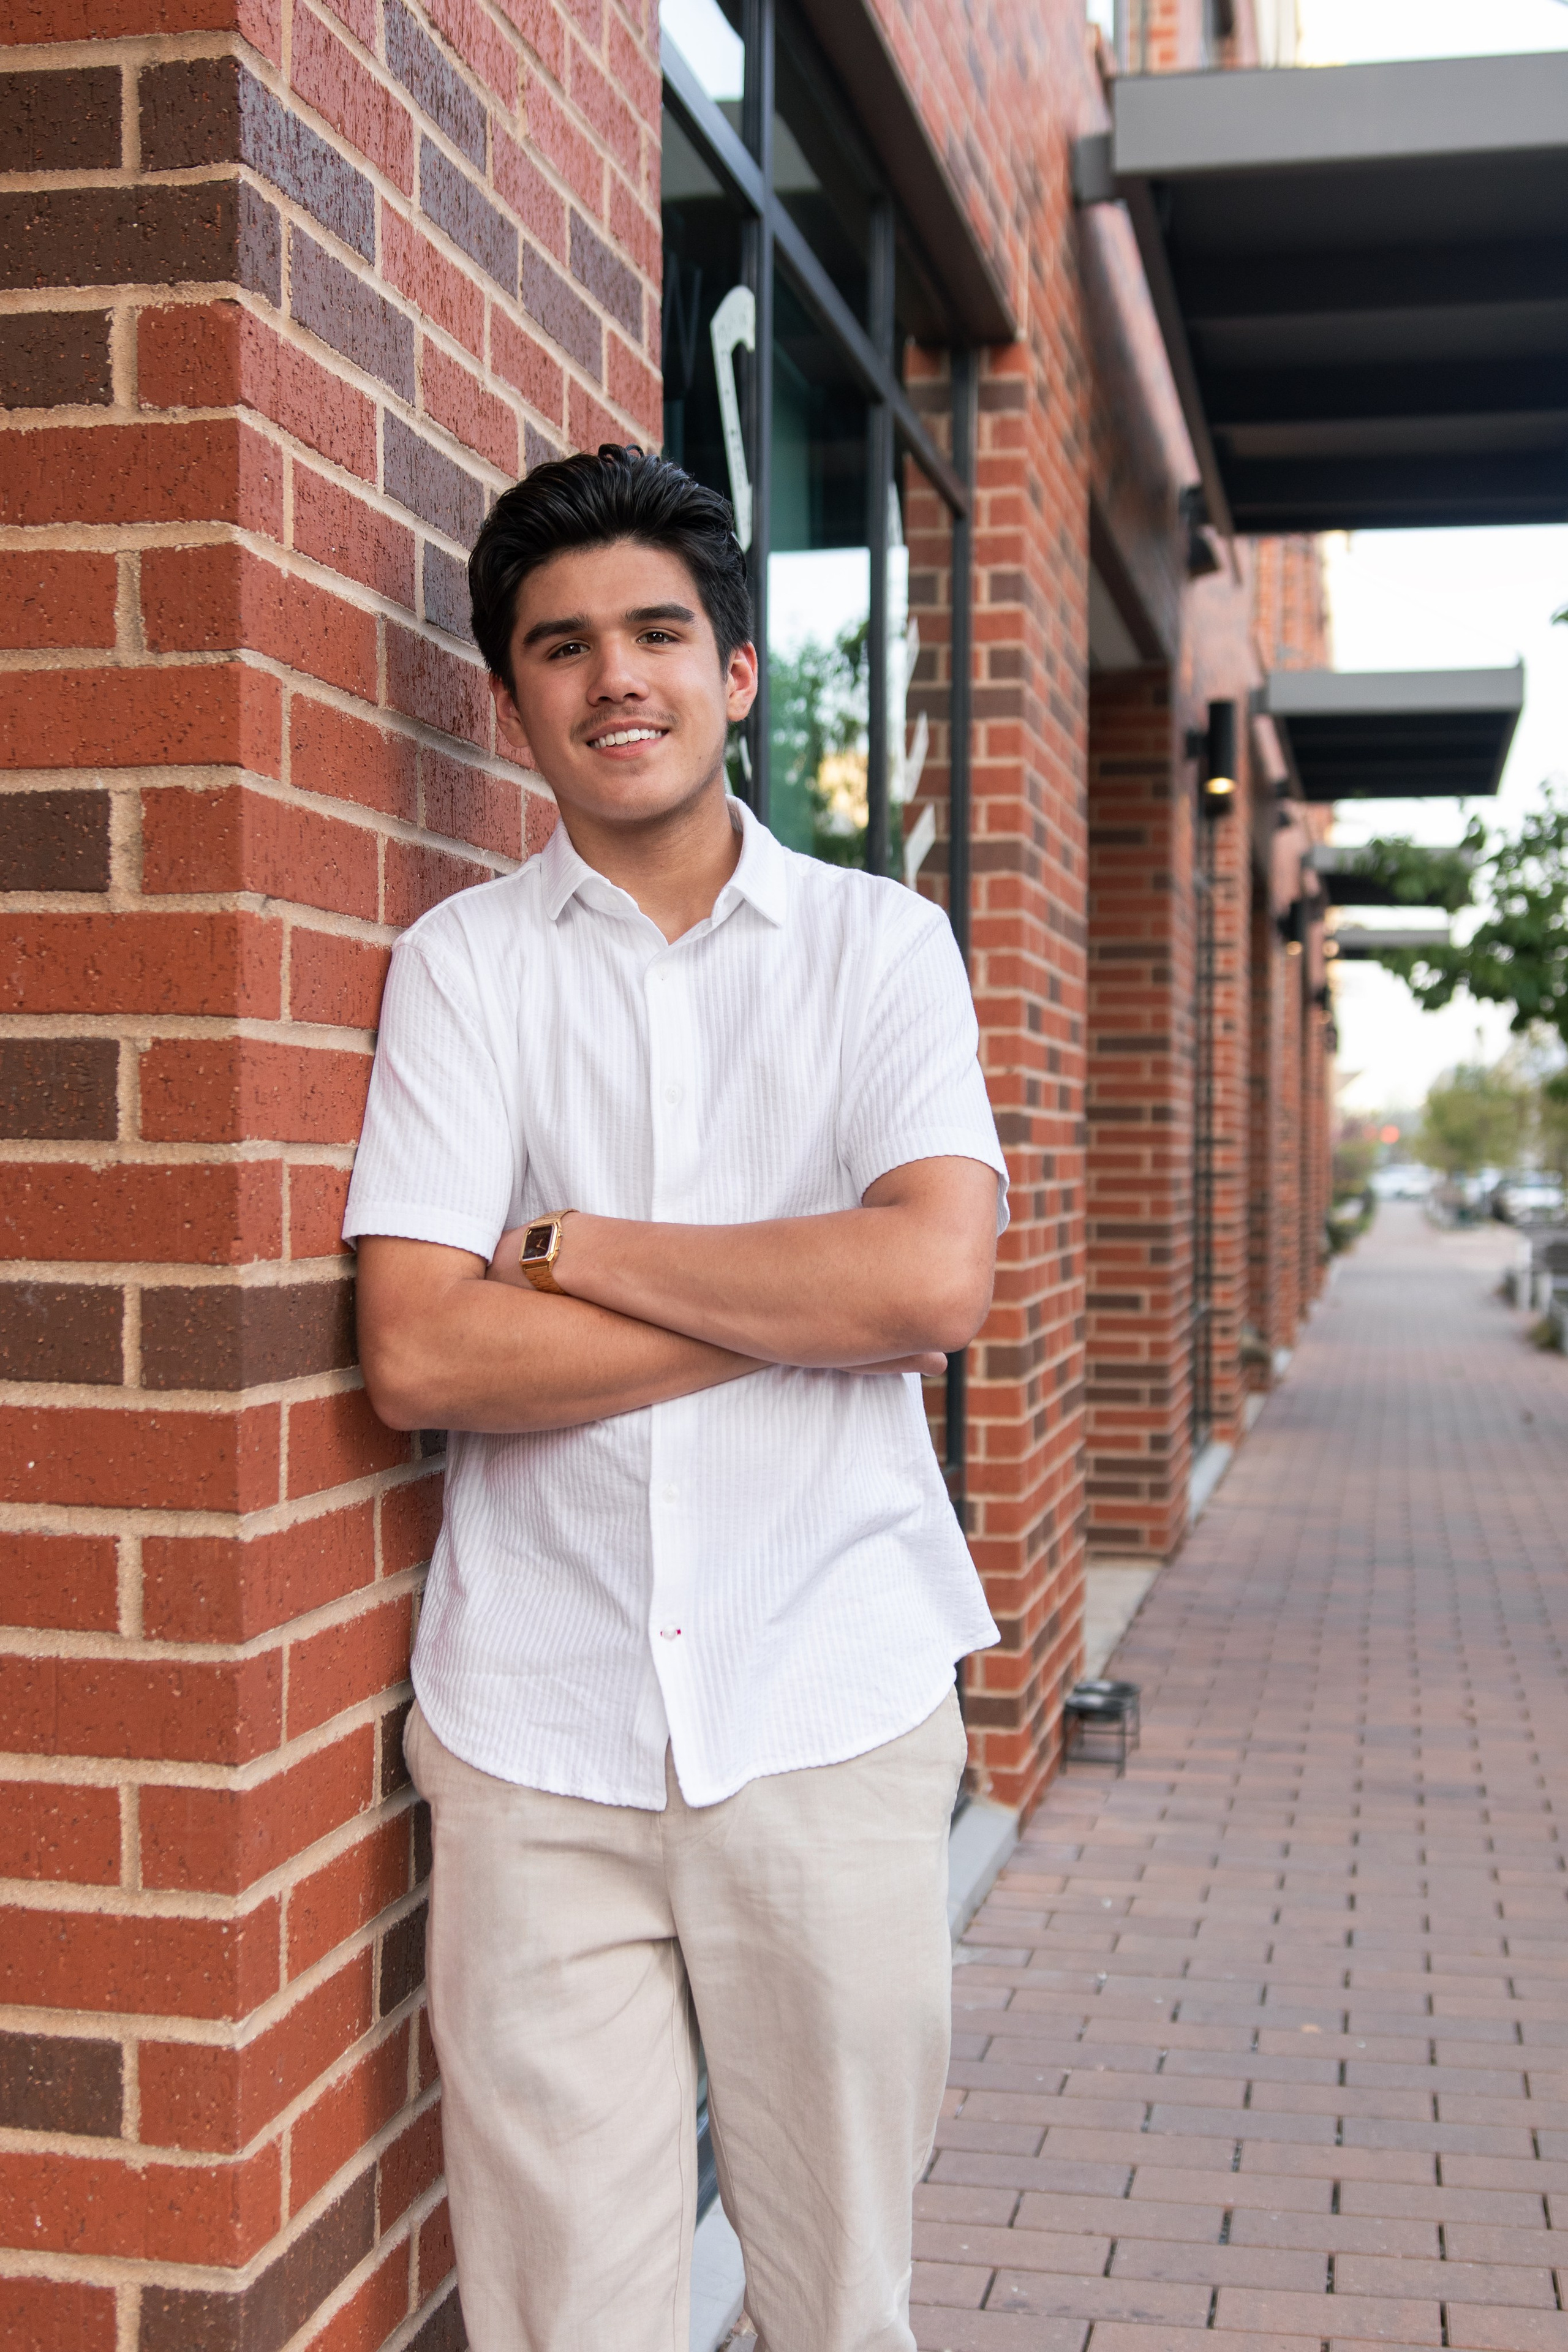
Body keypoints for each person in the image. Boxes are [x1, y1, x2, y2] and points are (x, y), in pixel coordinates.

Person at [346, 444, 1007, 2352]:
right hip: (537, 1733)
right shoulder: (461, 972)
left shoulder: (884, 948)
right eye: (561, 647)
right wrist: (794, 1297)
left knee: (838, 2303)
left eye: (655, 632)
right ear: (513, 700)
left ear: (733, 671)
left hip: (829, 1706)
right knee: (565, 2319)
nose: (610, 677)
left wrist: (570, 1245)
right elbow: (423, 1354)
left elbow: (927, 1281)